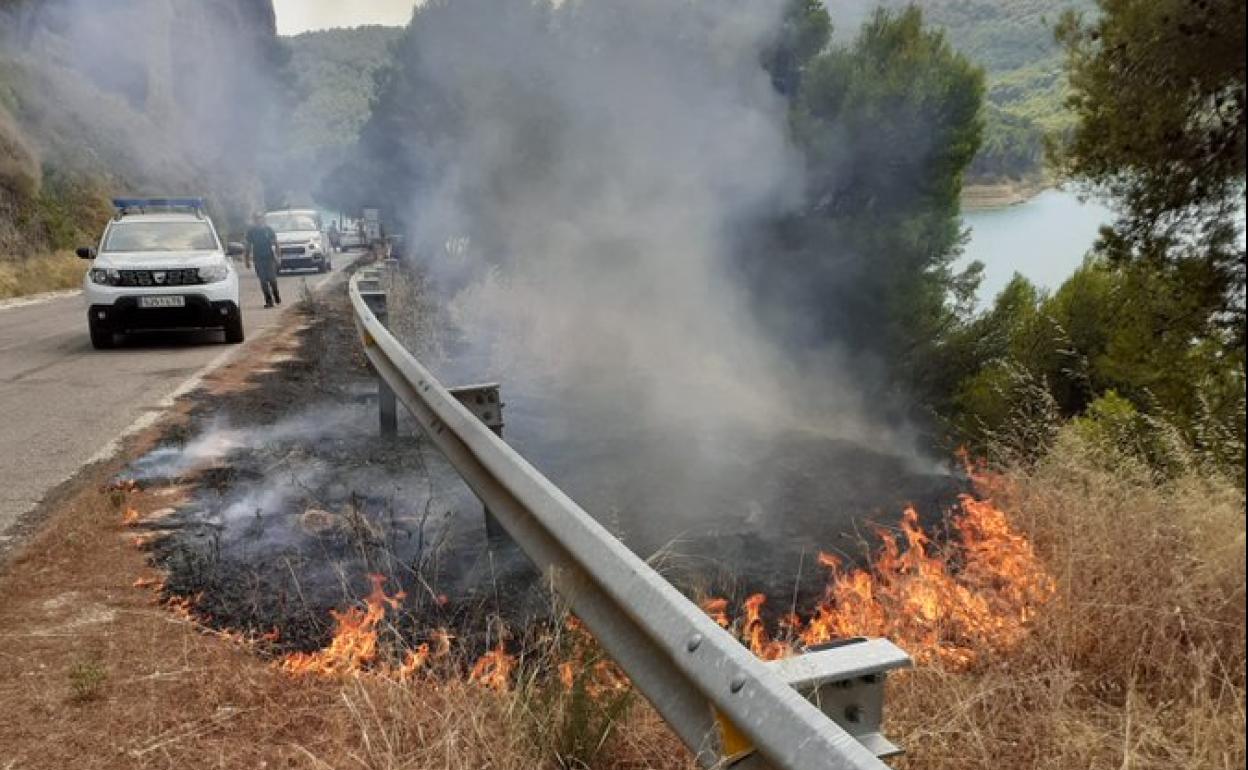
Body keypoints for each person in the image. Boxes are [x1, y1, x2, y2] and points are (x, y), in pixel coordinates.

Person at [244, 213, 281, 308]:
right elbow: (247, 246)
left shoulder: (268, 230)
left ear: (263, 219)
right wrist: (247, 260)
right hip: (258, 259)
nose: (258, 221)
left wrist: (278, 256)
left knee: (272, 280)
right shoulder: (251, 232)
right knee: (263, 281)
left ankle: (276, 294)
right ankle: (269, 301)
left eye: (260, 218)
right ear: (254, 220)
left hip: (269, 258)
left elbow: (276, 243)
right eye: (256, 219)